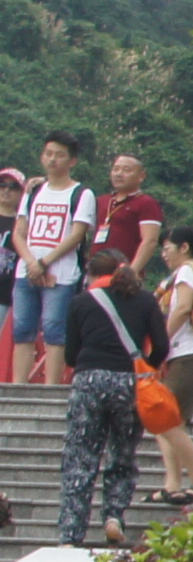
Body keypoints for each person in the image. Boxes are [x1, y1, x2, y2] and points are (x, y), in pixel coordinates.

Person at [53, 236, 158, 547]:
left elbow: (70, 355)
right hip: (129, 382)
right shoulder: (146, 301)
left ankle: (71, 532)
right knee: (122, 454)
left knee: (81, 457)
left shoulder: (81, 302)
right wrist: (145, 365)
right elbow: (163, 346)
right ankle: (114, 516)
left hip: (89, 381)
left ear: (93, 274)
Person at [11, 133, 96, 389]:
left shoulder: (81, 194)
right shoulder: (34, 191)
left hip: (61, 274)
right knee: (22, 330)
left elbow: (77, 235)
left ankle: (50, 388)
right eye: (48, 154)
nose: (52, 160)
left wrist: (44, 263)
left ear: (72, 161)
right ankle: (18, 387)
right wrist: (31, 263)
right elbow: (19, 232)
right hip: (26, 272)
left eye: (59, 155)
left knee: (54, 331)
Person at [146, 226, 193, 507]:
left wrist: (160, 343)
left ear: (184, 247)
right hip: (187, 356)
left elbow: (182, 308)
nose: (164, 255)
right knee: (166, 422)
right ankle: (173, 484)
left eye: (167, 248)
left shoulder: (188, 271)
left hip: (190, 355)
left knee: (166, 420)